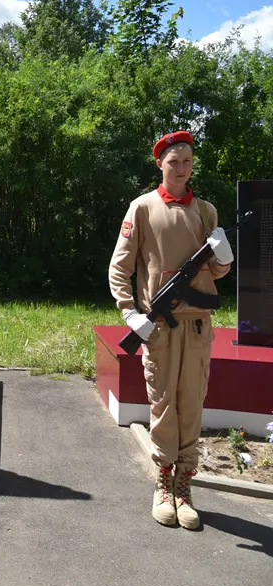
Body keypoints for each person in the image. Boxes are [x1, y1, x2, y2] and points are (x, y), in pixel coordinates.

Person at [109, 131, 234, 529]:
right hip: (160, 327)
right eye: (174, 161)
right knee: (163, 404)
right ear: (160, 164)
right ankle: (163, 482)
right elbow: (120, 266)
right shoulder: (142, 207)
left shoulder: (206, 211)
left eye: (187, 161)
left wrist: (225, 259)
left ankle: (185, 484)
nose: (181, 168)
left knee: (191, 402)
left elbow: (215, 272)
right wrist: (131, 313)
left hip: (197, 326)